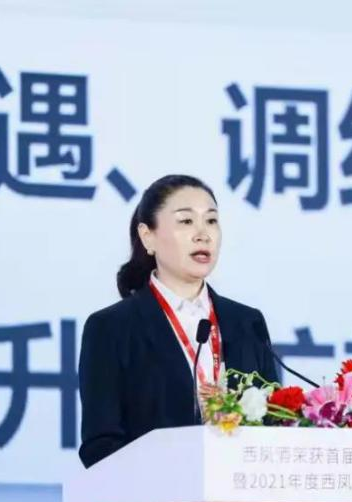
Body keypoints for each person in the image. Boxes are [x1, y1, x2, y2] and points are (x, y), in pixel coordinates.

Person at [77, 174, 279, 468]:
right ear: (148, 236)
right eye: (186, 221)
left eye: (211, 220)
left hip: (239, 490)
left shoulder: (248, 323)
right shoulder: (111, 328)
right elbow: (100, 446)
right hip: (155, 494)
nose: (203, 234)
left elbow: (274, 427)